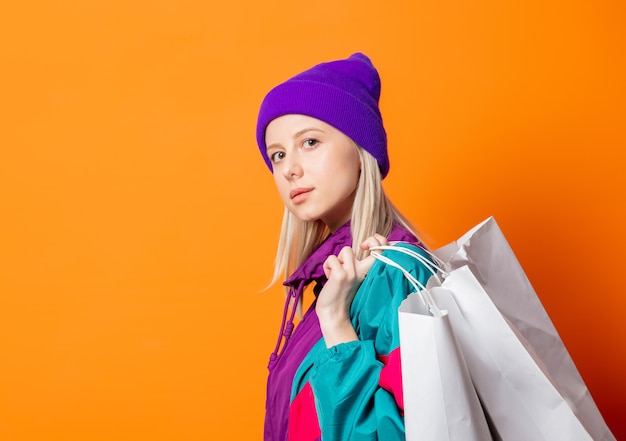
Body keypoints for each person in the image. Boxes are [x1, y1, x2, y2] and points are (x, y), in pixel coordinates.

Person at [256, 53, 433, 441]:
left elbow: (405, 432)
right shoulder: (337, 273)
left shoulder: (396, 274)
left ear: (360, 151)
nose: (289, 169)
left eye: (310, 142)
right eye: (278, 154)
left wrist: (335, 322)